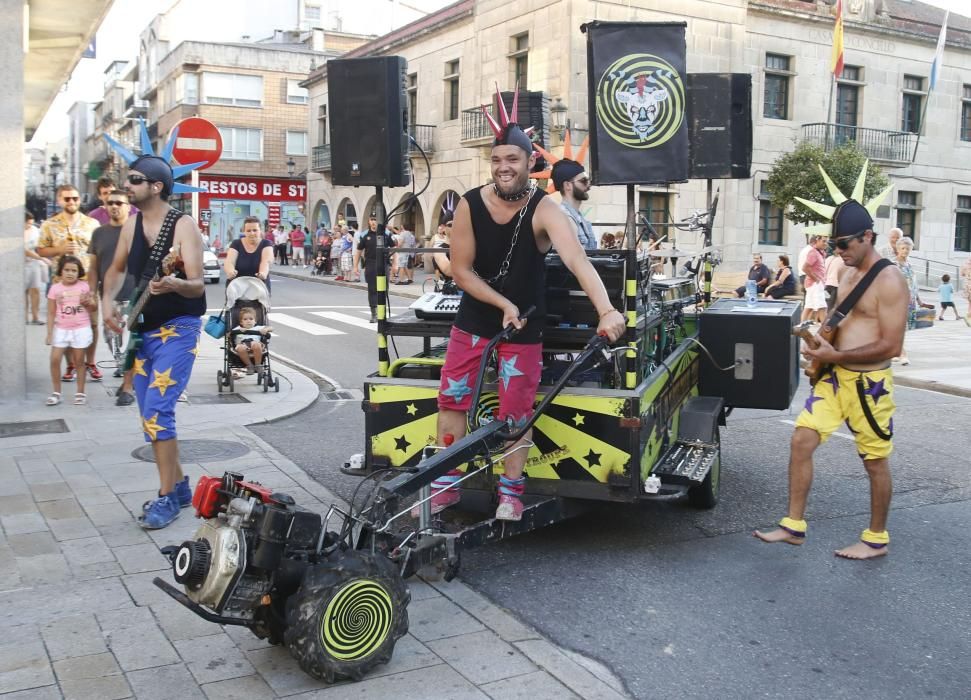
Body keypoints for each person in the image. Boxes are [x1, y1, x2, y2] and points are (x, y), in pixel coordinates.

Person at [426, 114, 627, 521]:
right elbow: (461, 270)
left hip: (526, 325)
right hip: (475, 321)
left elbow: (577, 261)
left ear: (528, 162)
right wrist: (503, 304)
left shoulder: (544, 208)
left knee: (516, 410)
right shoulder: (469, 204)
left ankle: (510, 493)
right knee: (452, 399)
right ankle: (445, 485)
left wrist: (606, 310)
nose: (503, 166)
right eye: (497, 158)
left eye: (513, 158)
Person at [754, 199, 909, 560]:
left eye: (844, 244)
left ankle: (876, 539)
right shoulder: (849, 270)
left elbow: (892, 344)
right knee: (801, 440)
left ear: (867, 236)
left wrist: (835, 355)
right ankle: (793, 526)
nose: (837, 251)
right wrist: (819, 344)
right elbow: (839, 318)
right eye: (834, 243)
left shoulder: (890, 280)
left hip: (869, 387)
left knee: (874, 461)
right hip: (835, 380)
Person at [101, 154, 207, 530]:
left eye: (134, 179)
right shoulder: (131, 225)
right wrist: (105, 305)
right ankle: (179, 487)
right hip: (143, 330)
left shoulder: (183, 226)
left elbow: (196, 285)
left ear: (156, 186)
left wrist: (175, 283)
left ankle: (167, 499)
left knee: (159, 410)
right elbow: (114, 270)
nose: (125, 185)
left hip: (178, 328)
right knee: (149, 418)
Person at [36, 183, 102, 383]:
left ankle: (90, 361)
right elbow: (40, 251)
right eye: (67, 199)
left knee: (91, 323)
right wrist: (60, 249)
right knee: (64, 323)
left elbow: (98, 252)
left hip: (86, 281)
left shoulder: (91, 224)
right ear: (59, 201)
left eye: (74, 198)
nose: (71, 202)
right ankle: (71, 364)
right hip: (61, 285)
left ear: (79, 200)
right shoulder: (49, 225)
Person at [86, 190, 138, 405]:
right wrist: (91, 291)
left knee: (132, 342)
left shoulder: (138, 231)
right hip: (107, 296)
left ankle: (128, 386)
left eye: (119, 202)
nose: (114, 206)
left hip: (133, 294)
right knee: (112, 340)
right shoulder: (99, 233)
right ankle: (124, 373)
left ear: (128, 206)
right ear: (105, 207)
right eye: (110, 203)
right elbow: (93, 267)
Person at [45, 256, 97, 406]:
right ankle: (56, 392)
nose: (70, 273)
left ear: (79, 272)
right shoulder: (55, 288)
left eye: (74, 270)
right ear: (60, 271)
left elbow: (93, 308)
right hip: (61, 329)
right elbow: (50, 312)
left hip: (80, 328)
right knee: (54, 359)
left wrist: (89, 302)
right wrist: (49, 333)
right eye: (67, 270)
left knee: (79, 361)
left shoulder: (84, 286)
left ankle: (80, 392)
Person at [551, 159, 597, 250]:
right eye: (584, 181)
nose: (589, 185)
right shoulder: (563, 218)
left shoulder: (579, 219)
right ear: (567, 185)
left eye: (588, 180)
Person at [357, 215, 395, 323]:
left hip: (384, 264)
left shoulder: (386, 234)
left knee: (383, 289)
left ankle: (382, 313)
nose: (374, 222)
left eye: (376, 219)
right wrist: (356, 266)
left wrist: (395, 264)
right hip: (371, 264)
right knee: (372, 289)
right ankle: (374, 314)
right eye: (372, 220)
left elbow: (394, 248)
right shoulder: (365, 235)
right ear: (369, 222)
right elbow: (359, 250)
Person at [224, 217, 273, 290]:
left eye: (255, 230)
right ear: (244, 231)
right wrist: (230, 271)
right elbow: (229, 261)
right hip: (237, 288)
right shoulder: (236, 243)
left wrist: (262, 273)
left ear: (260, 231)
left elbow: (266, 261)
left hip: (259, 288)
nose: (252, 233)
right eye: (248, 231)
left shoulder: (266, 244)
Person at [894, 236, 919, 365]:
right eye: (903, 248)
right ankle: (902, 353)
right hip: (898, 301)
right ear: (898, 249)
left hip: (911, 301)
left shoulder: (909, 264)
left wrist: (920, 300)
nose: (905, 251)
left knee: (901, 328)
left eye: (908, 249)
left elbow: (914, 284)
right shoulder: (894, 265)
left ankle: (896, 351)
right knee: (900, 328)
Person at [24, 212, 50, 325]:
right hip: (21, 263)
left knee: (35, 289)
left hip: (34, 263)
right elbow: (24, 250)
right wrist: (41, 258)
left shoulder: (35, 230)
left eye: (31, 223)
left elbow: (41, 245)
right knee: (23, 291)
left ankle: (35, 316)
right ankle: (24, 317)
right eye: (27, 224)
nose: (30, 226)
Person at [230, 306, 272, 374]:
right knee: (240, 348)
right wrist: (239, 330)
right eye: (245, 319)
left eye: (251, 319)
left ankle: (258, 365)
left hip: (256, 345)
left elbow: (271, 328)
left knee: (256, 344)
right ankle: (249, 365)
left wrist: (266, 329)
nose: (248, 321)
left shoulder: (258, 328)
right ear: (241, 322)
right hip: (243, 345)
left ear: (255, 321)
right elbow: (229, 334)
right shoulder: (238, 328)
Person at [801, 235, 827, 323]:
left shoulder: (819, 252)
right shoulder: (813, 252)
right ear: (817, 240)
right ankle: (826, 332)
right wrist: (816, 279)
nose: (825, 243)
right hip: (815, 284)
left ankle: (801, 328)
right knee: (822, 307)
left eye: (826, 241)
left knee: (809, 307)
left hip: (814, 284)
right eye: (823, 241)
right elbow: (805, 268)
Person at [824, 248, 845, 313]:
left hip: (827, 284)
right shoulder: (842, 260)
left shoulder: (828, 259)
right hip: (836, 285)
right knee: (833, 305)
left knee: (827, 304)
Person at [961, 258, 971, 327]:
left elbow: (962, 274)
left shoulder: (965, 264)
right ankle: (968, 316)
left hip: (967, 284)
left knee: (970, 302)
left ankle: (968, 317)